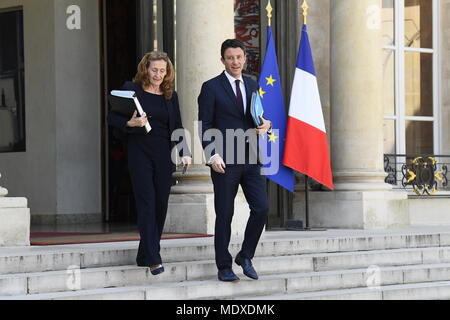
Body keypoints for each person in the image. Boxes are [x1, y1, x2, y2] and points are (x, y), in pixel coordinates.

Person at [108, 51, 191, 275]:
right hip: (139, 151)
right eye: (154, 70)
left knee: (161, 204)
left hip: (163, 153)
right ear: (145, 69)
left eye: (162, 71)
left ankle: (144, 253)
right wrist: (130, 122)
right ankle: (154, 257)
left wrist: (184, 152)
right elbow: (112, 117)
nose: (158, 74)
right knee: (147, 202)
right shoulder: (131, 89)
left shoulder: (170, 95)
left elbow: (178, 125)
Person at [198, 39, 272, 282]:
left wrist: (266, 123)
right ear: (223, 60)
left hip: (251, 157)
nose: (235, 62)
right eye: (230, 58)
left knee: (261, 208)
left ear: (244, 59)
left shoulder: (252, 85)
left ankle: (245, 255)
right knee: (225, 214)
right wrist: (213, 155)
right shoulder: (211, 87)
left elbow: (255, 116)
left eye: (239, 57)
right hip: (224, 161)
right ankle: (224, 266)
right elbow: (205, 125)